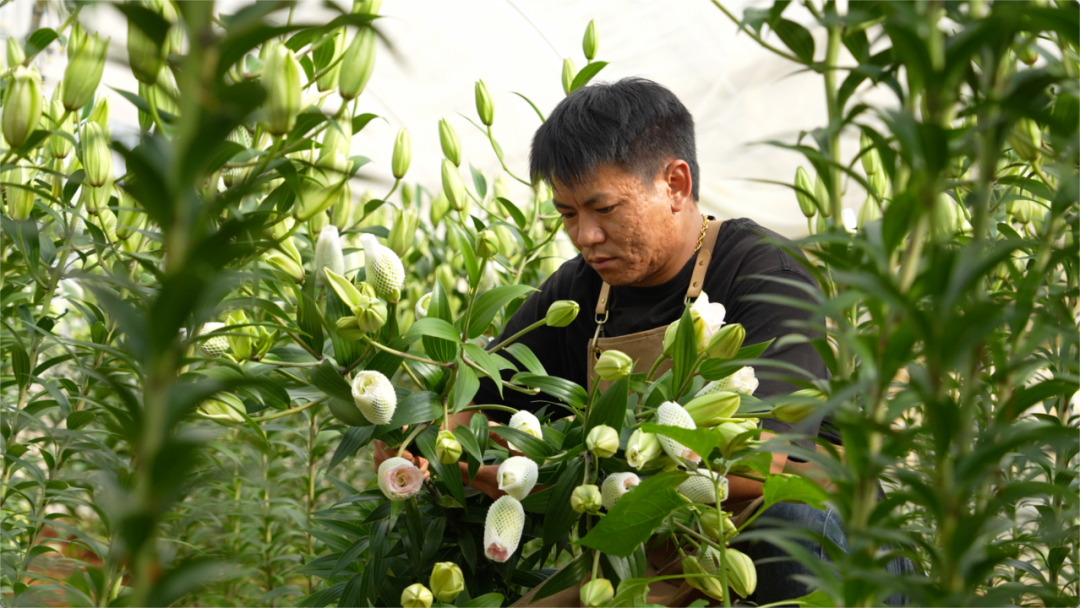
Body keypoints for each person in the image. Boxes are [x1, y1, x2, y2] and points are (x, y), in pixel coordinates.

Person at [375, 78, 886, 605]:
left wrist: (540, 478)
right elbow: (475, 403)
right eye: (568, 214)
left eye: (605, 209)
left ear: (675, 184)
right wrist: (418, 442)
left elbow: (759, 469)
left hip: (801, 550)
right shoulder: (580, 289)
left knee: (792, 525)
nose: (585, 236)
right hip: (667, 547)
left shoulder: (763, 270)